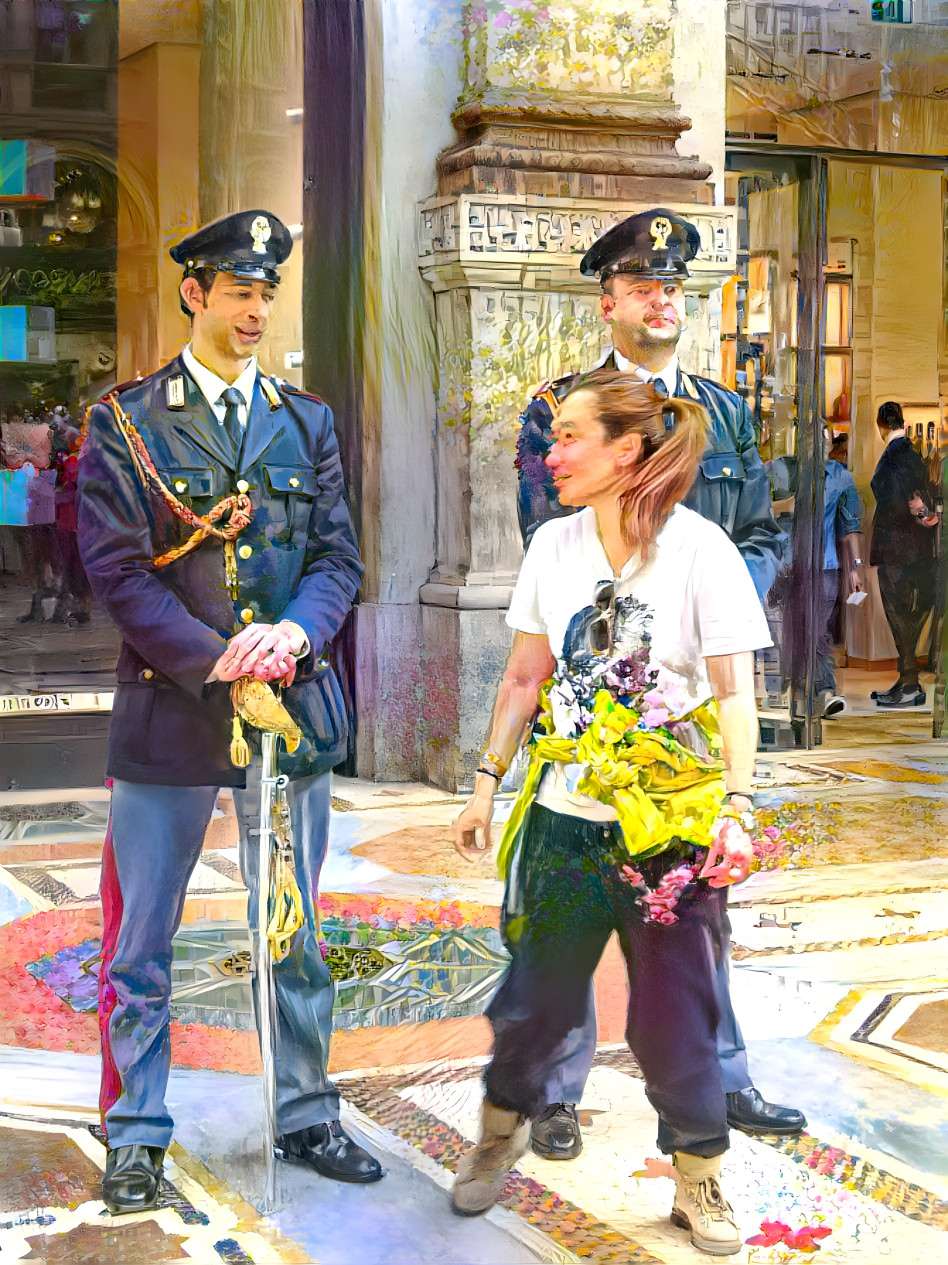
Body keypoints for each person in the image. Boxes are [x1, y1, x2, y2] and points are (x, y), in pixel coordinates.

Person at [77, 210, 382, 1216]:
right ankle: (136, 1131)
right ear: (194, 294)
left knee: (292, 931)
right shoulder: (125, 421)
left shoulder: (307, 421)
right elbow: (117, 572)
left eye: (267, 291)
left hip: (288, 716)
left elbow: (339, 558)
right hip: (170, 713)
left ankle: (304, 1110)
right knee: (144, 943)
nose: (255, 308)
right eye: (237, 289)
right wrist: (220, 658)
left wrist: (290, 637)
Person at [452, 373, 772, 1255]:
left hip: (667, 828)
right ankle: (495, 1135)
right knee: (535, 1002)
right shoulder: (553, 546)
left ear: (625, 450)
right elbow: (525, 676)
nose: (547, 455)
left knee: (675, 1014)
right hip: (564, 817)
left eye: (567, 438)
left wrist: (736, 805)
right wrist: (486, 779)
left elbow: (735, 692)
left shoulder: (703, 548)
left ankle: (699, 1180)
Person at [513, 209, 801, 1162]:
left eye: (673, 286)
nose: (663, 299)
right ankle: (554, 1089)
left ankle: (721, 1075)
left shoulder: (720, 410)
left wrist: (715, 611)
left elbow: (759, 533)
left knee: (694, 902)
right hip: (597, 709)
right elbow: (546, 545)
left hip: (691, 713)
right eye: (644, 286)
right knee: (568, 906)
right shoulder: (558, 408)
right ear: (610, 304)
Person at [768, 430, 865, 718]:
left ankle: (824, 691)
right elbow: (757, 510)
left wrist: (855, 568)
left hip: (825, 567)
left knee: (817, 631)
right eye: (812, 439)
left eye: (824, 440)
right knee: (794, 633)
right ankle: (800, 691)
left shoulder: (841, 478)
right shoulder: (781, 469)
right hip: (788, 567)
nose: (819, 445)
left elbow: (850, 527)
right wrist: (787, 506)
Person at [870, 401, 939, 707]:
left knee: (897, 612)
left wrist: (910, 512)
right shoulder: (914, 455)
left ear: (881, 426)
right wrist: (921, 513)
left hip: (895, 550)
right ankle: (907, 680)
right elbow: (921, 500)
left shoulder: (891, 457)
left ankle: (909, 682)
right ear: (904, 423)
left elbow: (887, 495)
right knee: (908, 612)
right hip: (919, 551)